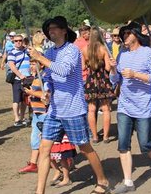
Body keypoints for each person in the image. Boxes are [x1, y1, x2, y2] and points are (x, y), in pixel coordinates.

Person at [27, 15, 110, 194]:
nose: (51, 31)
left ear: (64, 30)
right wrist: (47, 90)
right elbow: (48, 77)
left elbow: (64, 71)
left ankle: (102, 181)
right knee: (44, 148)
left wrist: (40, 59)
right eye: (49, 29)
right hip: (54, 110)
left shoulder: (72, 51)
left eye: (55, 28)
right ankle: (39, 191)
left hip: (73, 109)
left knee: (84, 147)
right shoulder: (49, 52)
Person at [109, 21, 151, 192]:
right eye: (122, 35)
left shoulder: (148, 53)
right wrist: (113, 70)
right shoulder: (121, 54)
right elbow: (115, 81)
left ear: (135, 34)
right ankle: (128, 182)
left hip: (143, 106)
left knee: (145, 144)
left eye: (127, 33)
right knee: (123, 145)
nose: (124, 37)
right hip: (124, 106)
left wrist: (135, 75)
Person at [82, 28, 114, 144]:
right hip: (103, 81)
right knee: (106, 109)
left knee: (91, 109)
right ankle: (105, 137)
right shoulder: (103, 49)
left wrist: (88, 63)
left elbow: (83, 68)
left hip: (91, 81)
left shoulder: (85, 49)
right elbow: (107, 68)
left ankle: (95, 137)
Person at [19, 60, 48, 174]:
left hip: (44, 113)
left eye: (34, 64)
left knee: (48, 140)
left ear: (41, 65)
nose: (31, 66)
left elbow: (46, 95)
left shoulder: (44, 78)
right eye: (30, 64)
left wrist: (32, 93)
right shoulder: (35, 77)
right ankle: (33, 163)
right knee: (35, 139)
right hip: (36, 113)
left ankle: (64, 161)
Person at [7, 34, 31, 127]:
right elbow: (12, 66)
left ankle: (22, 117)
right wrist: (20, 75)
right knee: (16, 99)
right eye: (16, 41)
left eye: (20, 40)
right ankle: (17, 119)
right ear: (13, 42)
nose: (18, 42)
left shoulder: (26, 51)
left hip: (28, 78)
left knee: (25, 99)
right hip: (17, 79)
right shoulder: (12, 52)